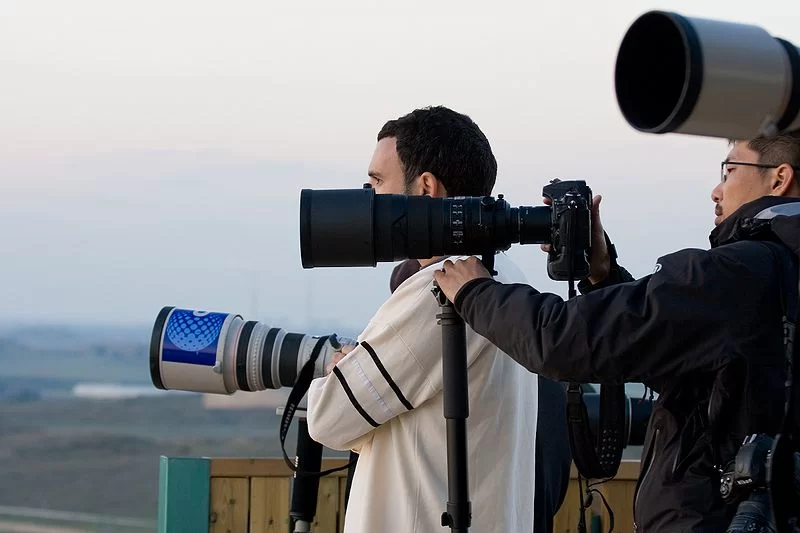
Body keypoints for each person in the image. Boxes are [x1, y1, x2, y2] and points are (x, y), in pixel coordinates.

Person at [433, 131, 800, 533]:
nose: (716, 190)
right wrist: (603, 274)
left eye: (730, 171)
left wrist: (476, 292)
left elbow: (565, 341)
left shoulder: (739, 273)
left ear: (779, 178)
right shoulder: (780, 272)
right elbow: (692, 364)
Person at [306, 106, 543, 533]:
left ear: (426, 187)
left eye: (377, 182)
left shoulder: (440, 288)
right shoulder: (504, 280)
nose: (368, 198)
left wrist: (340, 365)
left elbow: (326, 417)